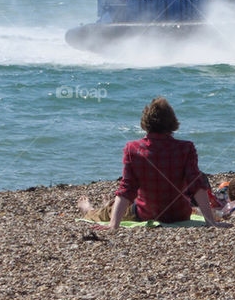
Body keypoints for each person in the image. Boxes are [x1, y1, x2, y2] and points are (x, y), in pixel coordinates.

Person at [78, 97, 225, 229]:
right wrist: (210, 221)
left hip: (145, 214)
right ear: (172, 122)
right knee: (128, 201)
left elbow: (127, 189)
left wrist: (113, 225)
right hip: (180, 214)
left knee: (110, 211)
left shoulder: (133, 149)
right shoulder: (186, 148)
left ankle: (89, 211)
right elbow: (197, 186)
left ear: (145, 123)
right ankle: (106, 205)